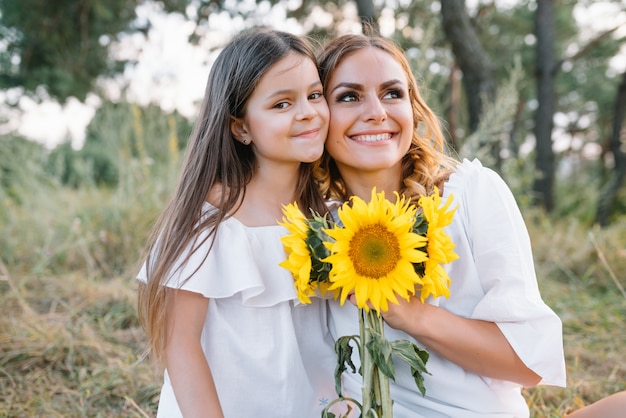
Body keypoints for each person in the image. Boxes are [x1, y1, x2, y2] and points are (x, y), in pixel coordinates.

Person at [315, 33, 567, 417]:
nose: (377, 112)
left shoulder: (470, 194)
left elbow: (529, 364)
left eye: (392, 93)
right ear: (319, 117)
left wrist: (412, 314)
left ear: (413, 108)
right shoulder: (316, 229)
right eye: (349, 96)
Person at [136, 28, 340, 418]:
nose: (308, 112)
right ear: (240, 127)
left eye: (315, 95)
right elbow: (180, 345)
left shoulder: (328, 215)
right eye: (282, 104)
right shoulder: (211, 221)